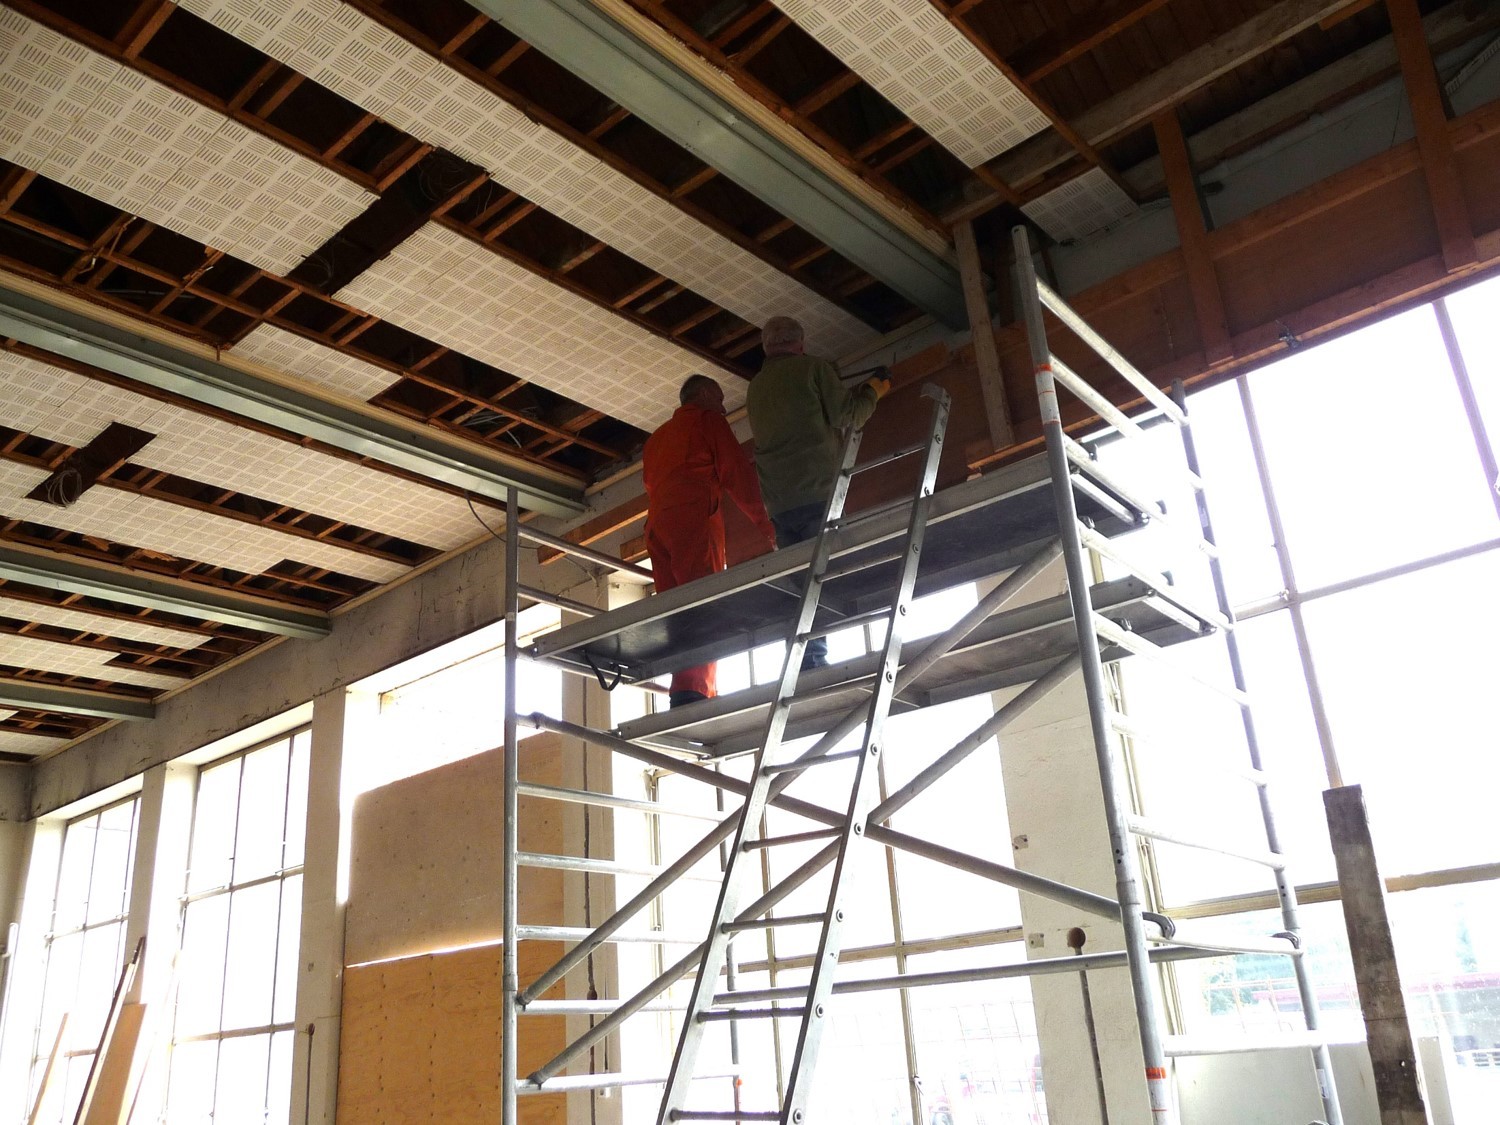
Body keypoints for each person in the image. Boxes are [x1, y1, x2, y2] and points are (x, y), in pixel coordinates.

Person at [745, 316, 891, 669]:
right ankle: (818, 657)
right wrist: (875, 390)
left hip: (779, 503)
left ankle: (807, 659)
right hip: (817, 492)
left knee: (801, 584)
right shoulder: (813, 368)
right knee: (824, 577)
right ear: (801, 343)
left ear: (766, 348)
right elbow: (847, 415)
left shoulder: (756, 387)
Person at [643, 373, 777, 708]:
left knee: (678, 612)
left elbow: (653, 484)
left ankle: (683, 689)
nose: (723, 408)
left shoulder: (656, 439)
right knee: (704, 604)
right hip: (693, 522)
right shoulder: (707, 421)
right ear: (703, 395)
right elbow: (737, 475)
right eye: (719, 400)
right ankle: (696, 691)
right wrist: (770, 527)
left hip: (657, 529)